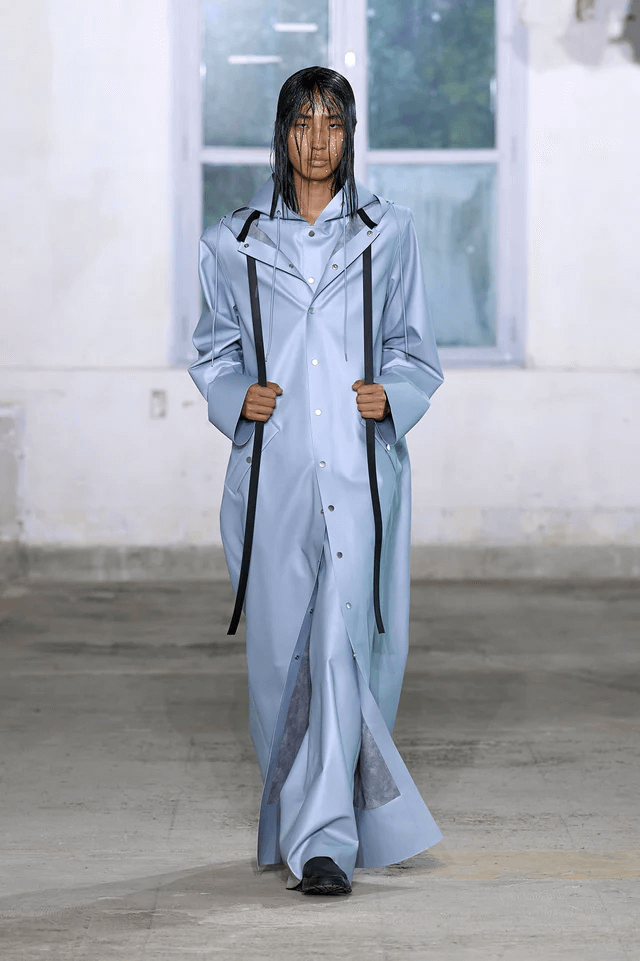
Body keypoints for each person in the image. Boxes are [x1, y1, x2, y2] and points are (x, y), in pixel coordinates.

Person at [189, 66, 444, 896]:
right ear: (282, 132)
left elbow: (414, 349)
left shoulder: (388, 233)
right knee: (280, 661)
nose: (318, 140)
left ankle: (323, 843)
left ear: (351, 134)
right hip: (274, 475)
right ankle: (317, 823)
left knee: (344, 647)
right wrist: (238, 395)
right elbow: (213, 350)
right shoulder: (231, 242)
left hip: (361, 472)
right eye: (303, 122)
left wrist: (391, 394)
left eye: (333, 122)